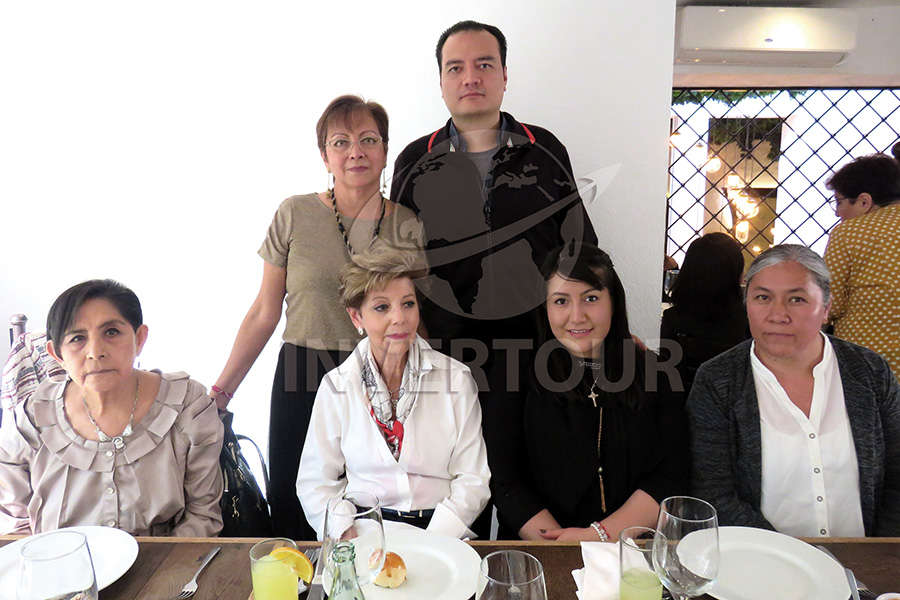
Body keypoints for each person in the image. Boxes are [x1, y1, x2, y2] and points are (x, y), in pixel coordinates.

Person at [389, 19, 596, 536]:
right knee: (461, 501)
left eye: (484, 64)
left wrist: (605, 330)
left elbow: (582, 251)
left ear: (504, 75)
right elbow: (398, 263)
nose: (470, 77)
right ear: (440, 82)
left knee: (535, 494)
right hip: (446, 358)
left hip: (538, 354)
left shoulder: (543, 148)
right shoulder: (415, 159)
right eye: (455, 68)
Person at [211, 96, 422, 539]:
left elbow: (414, 313)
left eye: (368, 140)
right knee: (293, 502)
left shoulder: (408, 224)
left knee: (371, 506)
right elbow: (264, 312)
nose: (355, 152)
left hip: (382, 375)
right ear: (324, 155)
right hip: (302, 372)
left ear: (385, 150)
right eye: (340, 142)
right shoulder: (295, 213)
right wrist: (222, 390)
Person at [688, 245, 900, 537]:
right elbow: (715, 494)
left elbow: (897, 476)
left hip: (864, 567)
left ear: (826, 308)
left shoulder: (869, 372)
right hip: (762, 562)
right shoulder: (717, 381)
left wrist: (881, 555)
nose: (778, 315)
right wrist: (798, 560)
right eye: (763, 298)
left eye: (797, 299)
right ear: (746, 303)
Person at [489, 243, 688, 542]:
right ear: (544, 307)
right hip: (538, 550)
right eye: (560, 301)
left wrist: (598, 537)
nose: (577, 316)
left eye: (591, 298)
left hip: (631, 549)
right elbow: (504, 479)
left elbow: (671, 473)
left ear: (613, 302)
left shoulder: (657, 373)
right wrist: (558, 547)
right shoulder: (514, 373)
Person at [0, 280, 224, 536]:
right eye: (77, 338)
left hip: (167, 568)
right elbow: (13, 527)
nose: (96, 352)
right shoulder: (30, 421)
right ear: (57, 354)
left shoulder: (187, 406)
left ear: (139, 338)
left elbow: (203, 515)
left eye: (112, 332)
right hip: (59, 570)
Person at [297, 249, 490, 539]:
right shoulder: (336, 386)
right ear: (356, 317)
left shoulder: (457, 379)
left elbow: (473, 479)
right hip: (364, 529)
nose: (399, 318)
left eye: (408, 304)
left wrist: (432, 543)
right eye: (382, 307)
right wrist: (346, 532)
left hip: (440, 531)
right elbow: (315, 482)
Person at [824, 153, 900, 378]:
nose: (837, 212)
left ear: (864, 202)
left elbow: (829, 304)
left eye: (839, 202)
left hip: (867, 361)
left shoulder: (848, 233)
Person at [660, 232, 750, 393]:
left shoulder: (673, 319)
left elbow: (667, 381)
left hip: (682, 408)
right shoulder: (747, 320)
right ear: (735, 273)